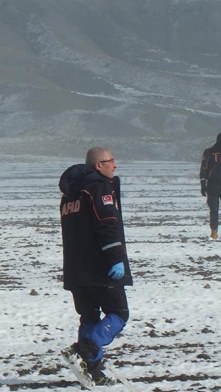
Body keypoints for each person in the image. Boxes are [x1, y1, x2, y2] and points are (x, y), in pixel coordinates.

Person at [58, 147, 132, 386]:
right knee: (119, 314)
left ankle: (93, 370)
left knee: (89, 316)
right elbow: (106, 224)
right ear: (98, 165)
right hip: (101, 268)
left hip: (76, 270)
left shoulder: (70, 195)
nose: (115, 165)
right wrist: (116, 258)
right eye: (111, 161)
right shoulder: (98, 188)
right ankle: (85, 348)